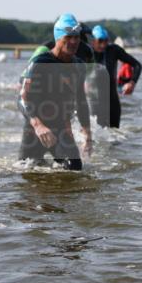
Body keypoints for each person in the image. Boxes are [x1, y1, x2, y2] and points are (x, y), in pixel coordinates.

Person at [17, 13, 93, 170]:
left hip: (61, 129)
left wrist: (87, 134)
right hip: (35, 130)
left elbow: (81, 100)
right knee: (27, 172)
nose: (74, 41)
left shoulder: (79, 66)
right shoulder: (40, 62)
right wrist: (37, 124)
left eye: (76, 37)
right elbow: (22, 98)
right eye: (69, 36)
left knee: (75, 169)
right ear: (58, 37)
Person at [87, 25, 142, 128]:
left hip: (112, 102)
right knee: (93, 137)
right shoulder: (85, 51)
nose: (103, 44)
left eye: (106, 41)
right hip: (92, 103)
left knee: (114, 136)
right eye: (100, 41)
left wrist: (132, 82)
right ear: (92, 41)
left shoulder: (113, 50)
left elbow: (137, 65)